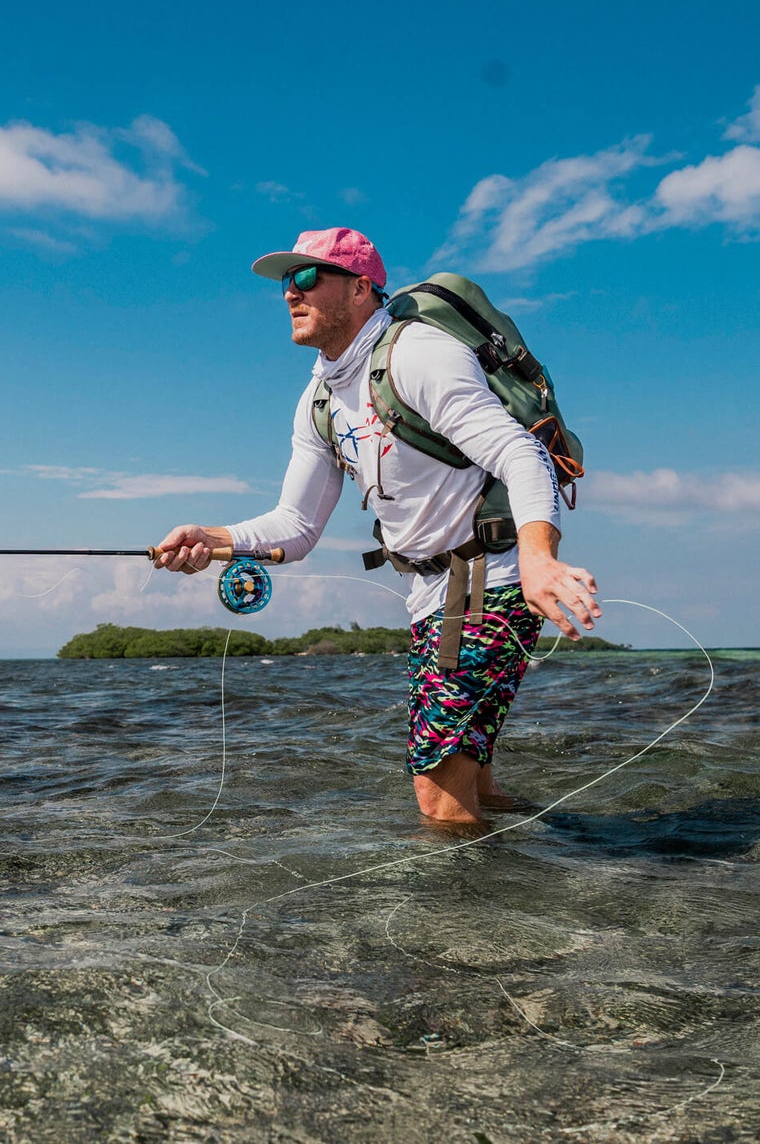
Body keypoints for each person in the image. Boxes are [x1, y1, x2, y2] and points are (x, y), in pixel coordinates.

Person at [154, 227, 602, 826]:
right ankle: (537, 872)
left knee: (435, 791)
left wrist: (538, 558)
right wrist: (211, 540)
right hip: (432, 597)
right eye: (286, 282)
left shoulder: (417, 354)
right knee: (471, 778)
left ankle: (465, 919)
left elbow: (520, 453)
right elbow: (296, 525)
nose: (291, 292)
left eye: (308, 277)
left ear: (361, 287)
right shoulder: (318, 399)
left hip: (486, 581)